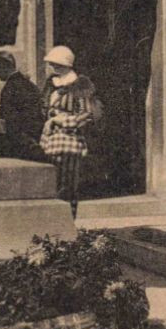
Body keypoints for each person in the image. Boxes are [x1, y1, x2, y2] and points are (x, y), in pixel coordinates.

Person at [39, 45, 102, 218]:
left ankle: (67, 221)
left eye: (58, 63)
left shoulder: (80, 85)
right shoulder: (52, 83)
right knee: (53, 181)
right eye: (52, 64)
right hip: (51, 138)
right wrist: (49, 121)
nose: (54, 67)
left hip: (69, 139)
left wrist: (62, 120)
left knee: (68, 182)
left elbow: (87, 115)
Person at [0, 52, 45, 161]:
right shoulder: (30, 85)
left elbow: (8, 118)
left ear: (5, 67)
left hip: (19, 141)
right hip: (36, 137)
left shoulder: (9, 88)